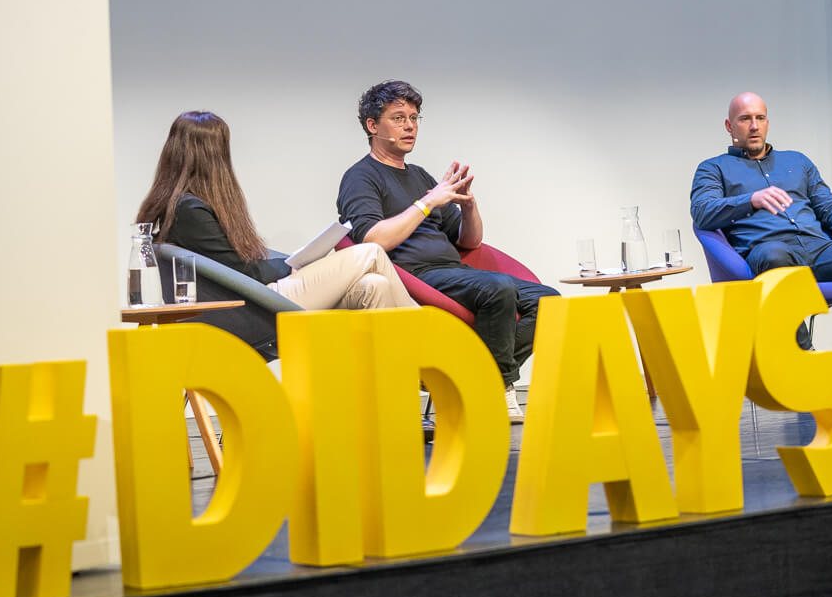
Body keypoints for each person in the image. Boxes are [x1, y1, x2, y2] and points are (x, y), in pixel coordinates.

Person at [336, 80, 558, 422]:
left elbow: (470, 242)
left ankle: (471, 380)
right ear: (372, 125)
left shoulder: (420, 176)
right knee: (498, 289)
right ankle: (499, 387)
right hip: (414, 275)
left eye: (414, 118)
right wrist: (427, 203)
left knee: (549, 301)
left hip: (455, 272)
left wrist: (468, 205)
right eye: (398, 118)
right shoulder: (360, 177)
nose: (410, 126)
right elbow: (372, 240)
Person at [690, 92, 832, 383]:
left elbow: (828, 205)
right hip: (768, 256)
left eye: (760, 118)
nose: (754, 126)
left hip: (820, 251)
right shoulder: (713, 168)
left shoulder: (796, 162)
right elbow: (702, 212)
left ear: (768, 122)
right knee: (774, 253)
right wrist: (752, 200)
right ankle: (802, 356)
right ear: (729, 125)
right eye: (745, 119)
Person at [136, 111, 417, 312]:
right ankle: (429, 344)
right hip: (258, 302)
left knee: (374, 285)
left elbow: (236, 262)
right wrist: (295, 264)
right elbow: (241, 271)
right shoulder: (189, 210)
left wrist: (297, 261)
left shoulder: (186, 206)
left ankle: (393, 373)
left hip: (261, 292)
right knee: (370, 252)